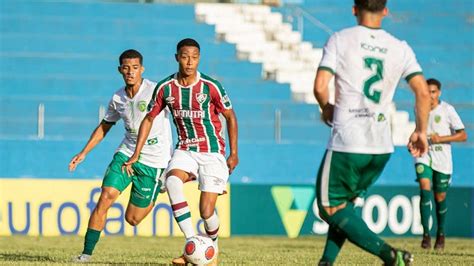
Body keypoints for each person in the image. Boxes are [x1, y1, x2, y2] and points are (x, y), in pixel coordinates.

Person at [313, 0, 431, 265]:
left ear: (354, 8)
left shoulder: (341, 39)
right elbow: (423, 92)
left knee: (328, 206)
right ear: (386, 11)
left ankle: (390, 255)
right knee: (345, 205)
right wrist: (421, 131)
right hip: (380, 146)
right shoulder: (400, 47)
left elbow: (321, 86)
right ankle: (326, 262)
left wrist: (327, 108)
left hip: (348, 141)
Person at [123, 38, 239, 265]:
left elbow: (230, 116)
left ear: (199, 58)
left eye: (194, 57)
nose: (189, 62)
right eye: (185, 57)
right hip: (185, 148)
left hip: (212, 151)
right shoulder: (166, 88)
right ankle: (192, 244)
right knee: (172, 181)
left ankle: (212, 248)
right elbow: (149, 118)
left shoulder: (210, 86)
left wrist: (233, 153)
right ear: (177, 57)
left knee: (206, 211)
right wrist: (136, 153)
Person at [69, 49, 172, 262]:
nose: (130, 72)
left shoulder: (156, 91)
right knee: (105, 196)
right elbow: (105, 126)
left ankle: (161, 183)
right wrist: (84, 152)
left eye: (135, 68)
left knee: (133, 219)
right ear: (120, 70)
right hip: (126, 154)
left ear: (142, 69)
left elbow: (178, 114)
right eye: (126, 68)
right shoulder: (118, 97)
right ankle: (86, 255)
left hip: (154, 159)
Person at [415, 78, 467, 250]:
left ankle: (441, 234)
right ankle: (426, 235)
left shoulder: (447, 110)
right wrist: (412, 140)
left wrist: (441, 139)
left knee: (440, 197)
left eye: (433, 92)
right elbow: (418, 131)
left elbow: (462, 135)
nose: (430, 95)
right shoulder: (419, 108)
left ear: (439, 93)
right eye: (427, 91)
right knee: (424, 187)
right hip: (424, 155)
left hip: (443, 160)